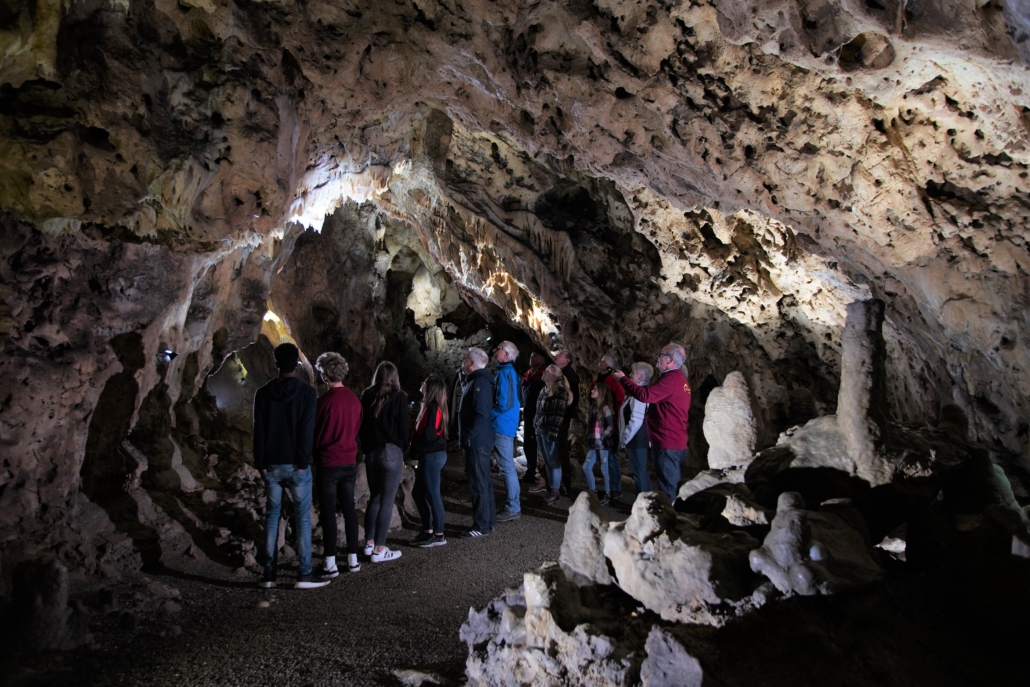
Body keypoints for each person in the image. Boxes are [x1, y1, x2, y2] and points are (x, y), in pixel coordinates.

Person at [253, 343, 328, 589]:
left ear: (276, 364)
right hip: (297, 465)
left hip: (272, 464)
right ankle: (304, 573)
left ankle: (269, 573)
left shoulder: (263, 394)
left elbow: (259, 431)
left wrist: (260, 462)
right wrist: (303, 460)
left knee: (273, 516)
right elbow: (307, 430)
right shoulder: (307, 393)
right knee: (302, 519)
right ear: (297, 364)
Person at [614, 343, 692, 501]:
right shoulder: (679, 380)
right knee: (668, 486)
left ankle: (670, 523)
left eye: (661, 355)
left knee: (669, 490)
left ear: (669, 360)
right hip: (671, 441)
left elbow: (645, 396)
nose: (658, 358)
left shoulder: (671, 380)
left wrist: (623, 380)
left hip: (667, 442)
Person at [313, 352, 363, 577]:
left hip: (328, 462)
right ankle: (353, 559)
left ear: (324, 375)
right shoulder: (354, 400)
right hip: (349, 461)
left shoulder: (322, 402)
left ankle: (330, 562)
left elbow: (314, 433)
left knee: (328, 512)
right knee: (349, 509)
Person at [358, 361, 409, 563]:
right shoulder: (399, 398)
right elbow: (404, 428)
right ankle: (380, 549)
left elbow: (362, 426)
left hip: (371, 453)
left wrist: (366, 447)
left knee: (374, 499)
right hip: (391, 452)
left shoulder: (366, 396)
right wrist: (401, 446)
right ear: (394, 377)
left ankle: (368, 545)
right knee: (387, 501)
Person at [459, 347, 496, 537]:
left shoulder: (479, 383)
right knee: (484, 482)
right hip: (479, 438)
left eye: (465, 358)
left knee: (478, 483)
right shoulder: (477, 381)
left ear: (472, 364)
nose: (462, 361)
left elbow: (480, 414)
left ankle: (480, 526)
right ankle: (488, 522)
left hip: (477, 440)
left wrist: (468, 436)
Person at [411, 375, 449, 548]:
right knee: (418, 494)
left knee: (433, 495)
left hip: (432, 455)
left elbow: (429, 435)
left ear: (431, 387)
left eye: (424, 382)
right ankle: (428, 530)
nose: (422, 384)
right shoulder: (430, 407)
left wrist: (415, 452)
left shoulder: (433, 408)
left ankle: (439, 534)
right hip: (430, 454)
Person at [491, 341, 522, 522]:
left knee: (506, 468)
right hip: (505, 423)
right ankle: (512, 504)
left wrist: (486, 413)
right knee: (506, 467)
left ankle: (513, 506)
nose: (496, 350)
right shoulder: (508, 372)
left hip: (501, 424)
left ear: (507, 355)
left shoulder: (506, 373)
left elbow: (504, 403)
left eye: (499, 349)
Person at [590, 354, 626, 503]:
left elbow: (620, 401)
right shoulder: (598, 380)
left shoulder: (614, 382)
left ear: (611, 365)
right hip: (598, 423)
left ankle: (615, 489)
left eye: (604, 360)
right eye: (600, 360)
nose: (600, 362)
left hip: (610, 423)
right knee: (603, 457)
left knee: (610, 457)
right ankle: (608, 488)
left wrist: (613, 420)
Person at [534, 364, 570, 505]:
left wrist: (553, 432)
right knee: (548, 462)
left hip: (549, 430)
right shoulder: (544, 390)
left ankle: (555, 491)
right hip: (540, 430)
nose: (544, 372)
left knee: (553, 462)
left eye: (547, 371)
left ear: (554, 376)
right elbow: (538, 411)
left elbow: (558, 415)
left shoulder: (560, 392)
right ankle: (552, 487)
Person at [619, 361, 654, 496]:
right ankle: (649, 500)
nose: (629, 375)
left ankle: (642, 504)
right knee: (641, 471)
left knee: (639, 472)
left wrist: (625, 438)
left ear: (640, 377)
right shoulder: (640, 392)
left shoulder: (639, 394)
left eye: (632, 373)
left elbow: (636, 420)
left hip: (637, 439)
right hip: (639, 438)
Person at [583, 382, 618, 505]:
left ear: (601, 393)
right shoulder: (593, 408)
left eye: (595, 389)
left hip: (603, 445)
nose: (592, 390)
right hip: (593, 444)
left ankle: (608, 494)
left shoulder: (606, 409)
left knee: (604, 469)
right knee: (586, 467)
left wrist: (603, 435)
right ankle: (592, 492)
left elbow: (611, 426)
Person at [522, 350, 549, 493]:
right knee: (529, 444)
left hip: (540, 416)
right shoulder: (528, 375)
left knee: (542, 449)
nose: (532, 358)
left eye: (536, 356)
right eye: (531, 356)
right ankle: (530, 471)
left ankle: (544, 478)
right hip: (529, 414)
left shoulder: (545, 375)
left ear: (543, 359)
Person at [555, 349, 580, 495]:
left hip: (562, 418)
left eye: (560, 355)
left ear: (567, 360)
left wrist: (563, 414)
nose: (556, 356)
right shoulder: (563, 374)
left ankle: (565, 482)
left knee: (561, 449)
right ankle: (558, 481)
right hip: (560, 417)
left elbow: (573, 399)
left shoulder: (569, 376)